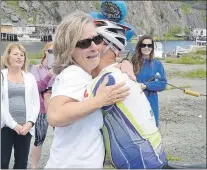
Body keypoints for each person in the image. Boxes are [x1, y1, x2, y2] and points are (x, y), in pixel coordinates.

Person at [45, 11, 131, 168]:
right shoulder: (73, 73)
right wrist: (99, 101)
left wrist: (125, 63)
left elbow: (110, 62)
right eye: (84, 43)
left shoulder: (86, 75)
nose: (94, 47)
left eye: (97, 39)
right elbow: (55, 116)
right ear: (69, 48)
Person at [89, 19, 168, 169]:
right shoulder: (118, 72)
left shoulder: (108, 80)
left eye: (94, 40)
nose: (89, 46)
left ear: (109, 46)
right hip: (152, 156)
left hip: (141, 163)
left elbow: (61, 115)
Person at [1, 43, 40, 169]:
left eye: (22, 55)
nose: (19, 57)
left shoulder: (30, 77)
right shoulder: (1, 75)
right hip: (5, 127)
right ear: (8, 56)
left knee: (22, 163)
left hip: (25, 128)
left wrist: (30, 123)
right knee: (2, 162)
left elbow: (36, 103)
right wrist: (13, 124)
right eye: (15, 54)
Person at [131, 35, 167, 127]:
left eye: (149, 45)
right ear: (139, 47)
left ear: (152, 47)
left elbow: (162, 84)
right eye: (144, 45)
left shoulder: (157, 64)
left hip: (151, 102)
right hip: (134, 102)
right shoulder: (132, 63)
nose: (146, 47)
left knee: (151, 127)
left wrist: (146, 86)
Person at [30, 42, 56, 169]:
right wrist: (49, 74)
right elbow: (37, 88)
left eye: (55, 52)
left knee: (60, 139)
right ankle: (34, 166)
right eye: (50, 51)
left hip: (58, 108)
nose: (52, 54)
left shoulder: (60, 69)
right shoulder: (36, 68)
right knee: (39, 140)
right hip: (42, 109)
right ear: (45, 51)